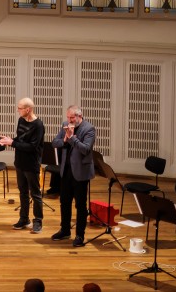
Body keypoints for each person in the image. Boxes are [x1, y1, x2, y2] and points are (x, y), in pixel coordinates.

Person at [0, 97, 45, 234]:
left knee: (35, 194)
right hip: (20, 162)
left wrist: (12, 143)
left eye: (20, 108)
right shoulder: (21, 120)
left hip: (31, 164)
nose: (18, 110)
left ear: (28, 109)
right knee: (23, 193)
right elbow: (20, 139)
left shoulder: (38, 125)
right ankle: (24, 219)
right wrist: (10, 140)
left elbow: (32, 147)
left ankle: (38, 221)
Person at [52, 105, 96, 247]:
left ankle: (79, 235)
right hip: (66, 171)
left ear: (79, 116)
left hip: (81, 173)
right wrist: (65, 140)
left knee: (80, 206)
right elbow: (55, 142)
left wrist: (72, 139)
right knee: (64, 202)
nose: (69, 121)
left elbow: (86, 149)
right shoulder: (65, 125)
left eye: (72, 118)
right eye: (68, 117)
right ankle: (65, 230)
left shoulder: (89, 129)